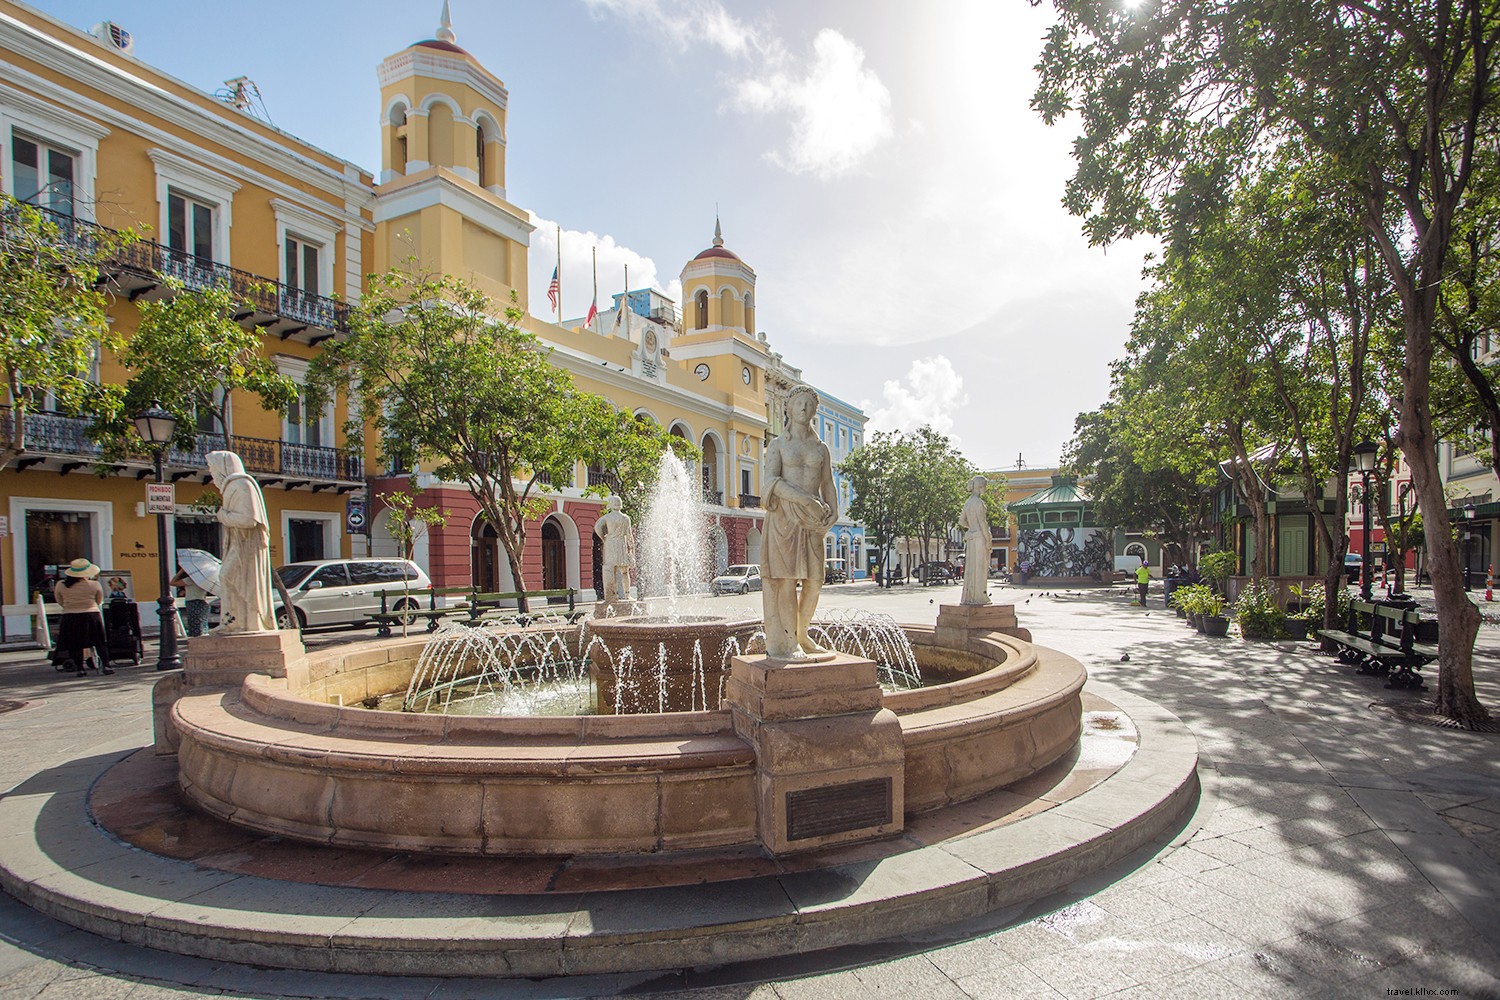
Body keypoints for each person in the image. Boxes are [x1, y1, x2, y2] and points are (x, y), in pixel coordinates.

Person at [761, 386, 838, 660]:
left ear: (815, 411)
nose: (804, 408)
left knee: (815, 581)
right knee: (787, 581)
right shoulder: (779, 445)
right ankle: (789, 642)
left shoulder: (821, 448)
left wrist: (835, 511)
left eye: (809, 404)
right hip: (785, 518)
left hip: (813, 520)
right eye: (798, 403)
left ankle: (803, 633)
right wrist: (805, 499)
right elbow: (769, 483)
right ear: (788, 409)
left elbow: (827, 482)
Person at [208, 450, 276, 633]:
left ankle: (241, 622)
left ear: (223, 468)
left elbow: (249, 520)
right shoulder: (233, 486)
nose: (212, 475)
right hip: (239, 543)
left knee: (227, 576)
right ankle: (234, 622)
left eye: (212, 470)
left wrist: (224, 516)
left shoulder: (241, 485)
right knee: (227, 577)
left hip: (246, 546)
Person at [53, 558, 112, 677]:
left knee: (75, 644)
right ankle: (106, 665)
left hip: (70, 616)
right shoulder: (94, 584)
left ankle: (80, 668)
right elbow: (99, 601)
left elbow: (60, 600)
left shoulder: (61, 585)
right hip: (91, 615)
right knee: (99, 642)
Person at [594, 495, 635, 604]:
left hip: (610, 544)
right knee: (625, 571)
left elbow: (597, 527)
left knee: (611, 570)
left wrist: (604, 538)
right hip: (621, 544)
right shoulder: (625, 518)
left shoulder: (607, 517)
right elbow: (629, 536)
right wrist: (632, 550)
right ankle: (627, 595)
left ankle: (611, 596)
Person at [959, 475, 992, 606]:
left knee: (971, 568)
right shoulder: (979, 503)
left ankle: (969, 597)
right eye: (985, 486)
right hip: (979, 538)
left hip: (971, 538)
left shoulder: (968, 502)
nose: (985, 489)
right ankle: (980, 597)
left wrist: (971, 527)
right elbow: (983, 523)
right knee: (980, 567)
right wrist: (988, 539)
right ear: (980, 486)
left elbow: (961, 521)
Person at [170, 564, 212, 637]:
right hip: (202, 602)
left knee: (195, 626)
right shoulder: (204, 580)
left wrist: (181, 572)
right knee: (202, 625)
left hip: (193, 602)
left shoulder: (191, 579)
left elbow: (173, 582)